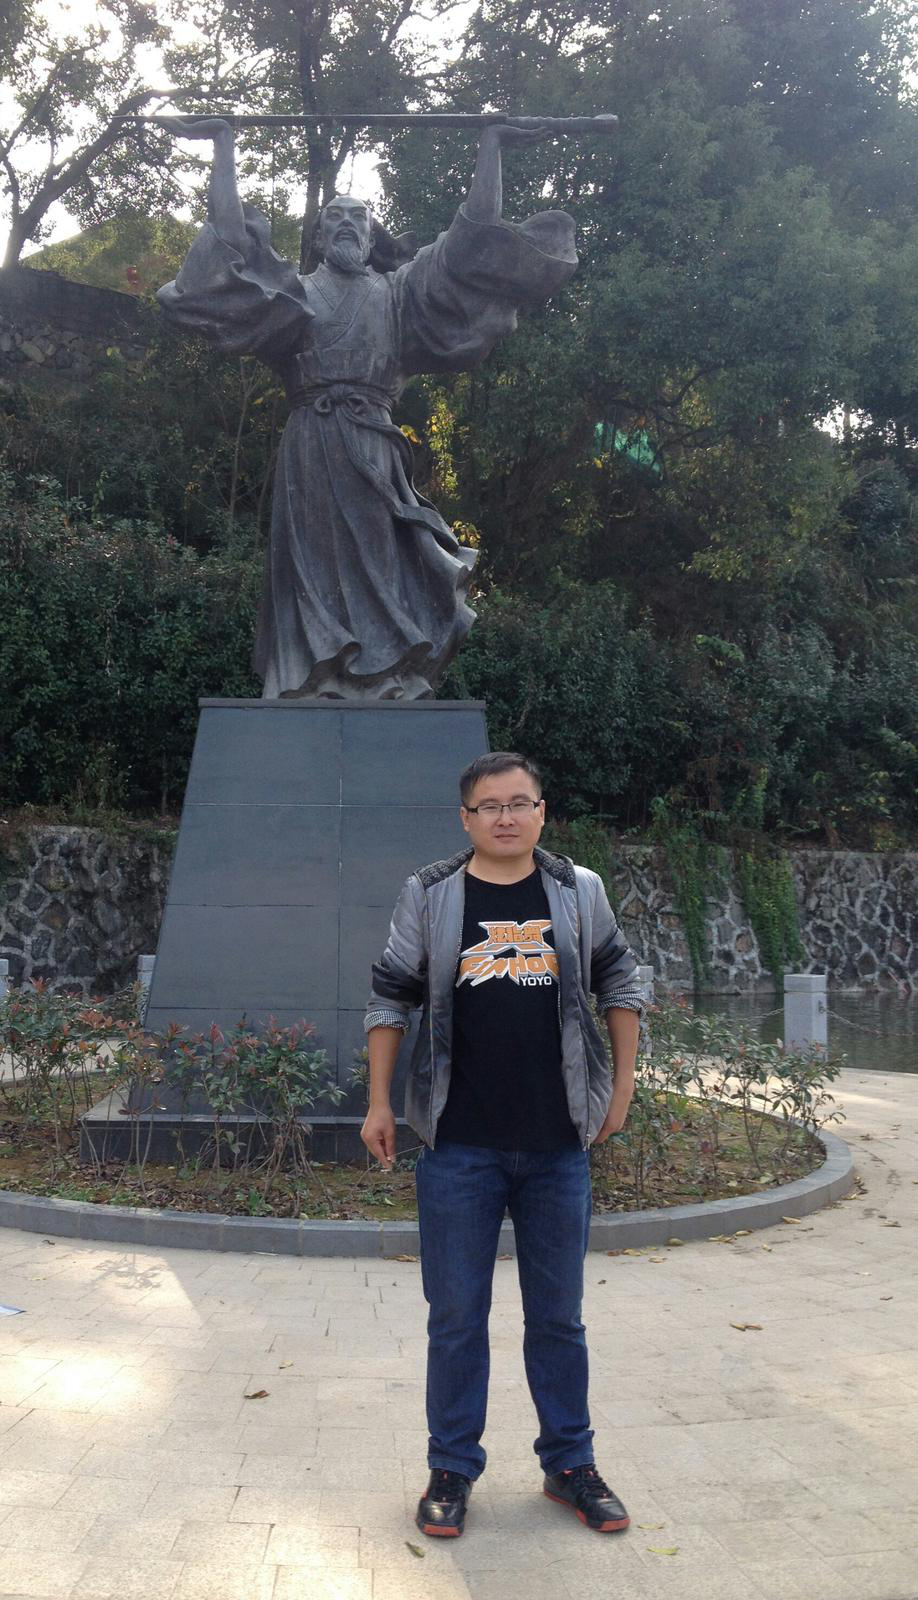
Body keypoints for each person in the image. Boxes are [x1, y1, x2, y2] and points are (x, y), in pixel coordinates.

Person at [157, 120, 577, 700]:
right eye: (335, 216)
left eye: (358, 216)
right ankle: (311, 679)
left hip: (375, 447)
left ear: (372, 232)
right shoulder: (294, 296)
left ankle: (387, 678)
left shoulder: (399, 294)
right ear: (318, 236)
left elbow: (467, 249)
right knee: (311, 567)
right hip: (311, 446)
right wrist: (224, 145)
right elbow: (228, 253)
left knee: (383, 565)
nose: (347, 223)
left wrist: (491, 145)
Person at [362, 751, 644, 1538]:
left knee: (559, 1318)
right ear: (467, 818)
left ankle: (570, 1464)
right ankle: (451, 1467)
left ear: (542, 811)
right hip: (459, 1146)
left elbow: (621, 983)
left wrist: (620, 1091)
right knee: (456, 1316)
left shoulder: (579, 891)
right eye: (490, 806)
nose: (507, 817)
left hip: (558, 1147)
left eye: (521, 803)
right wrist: (380, 1101)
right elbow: (389, 997)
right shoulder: (430, 894)